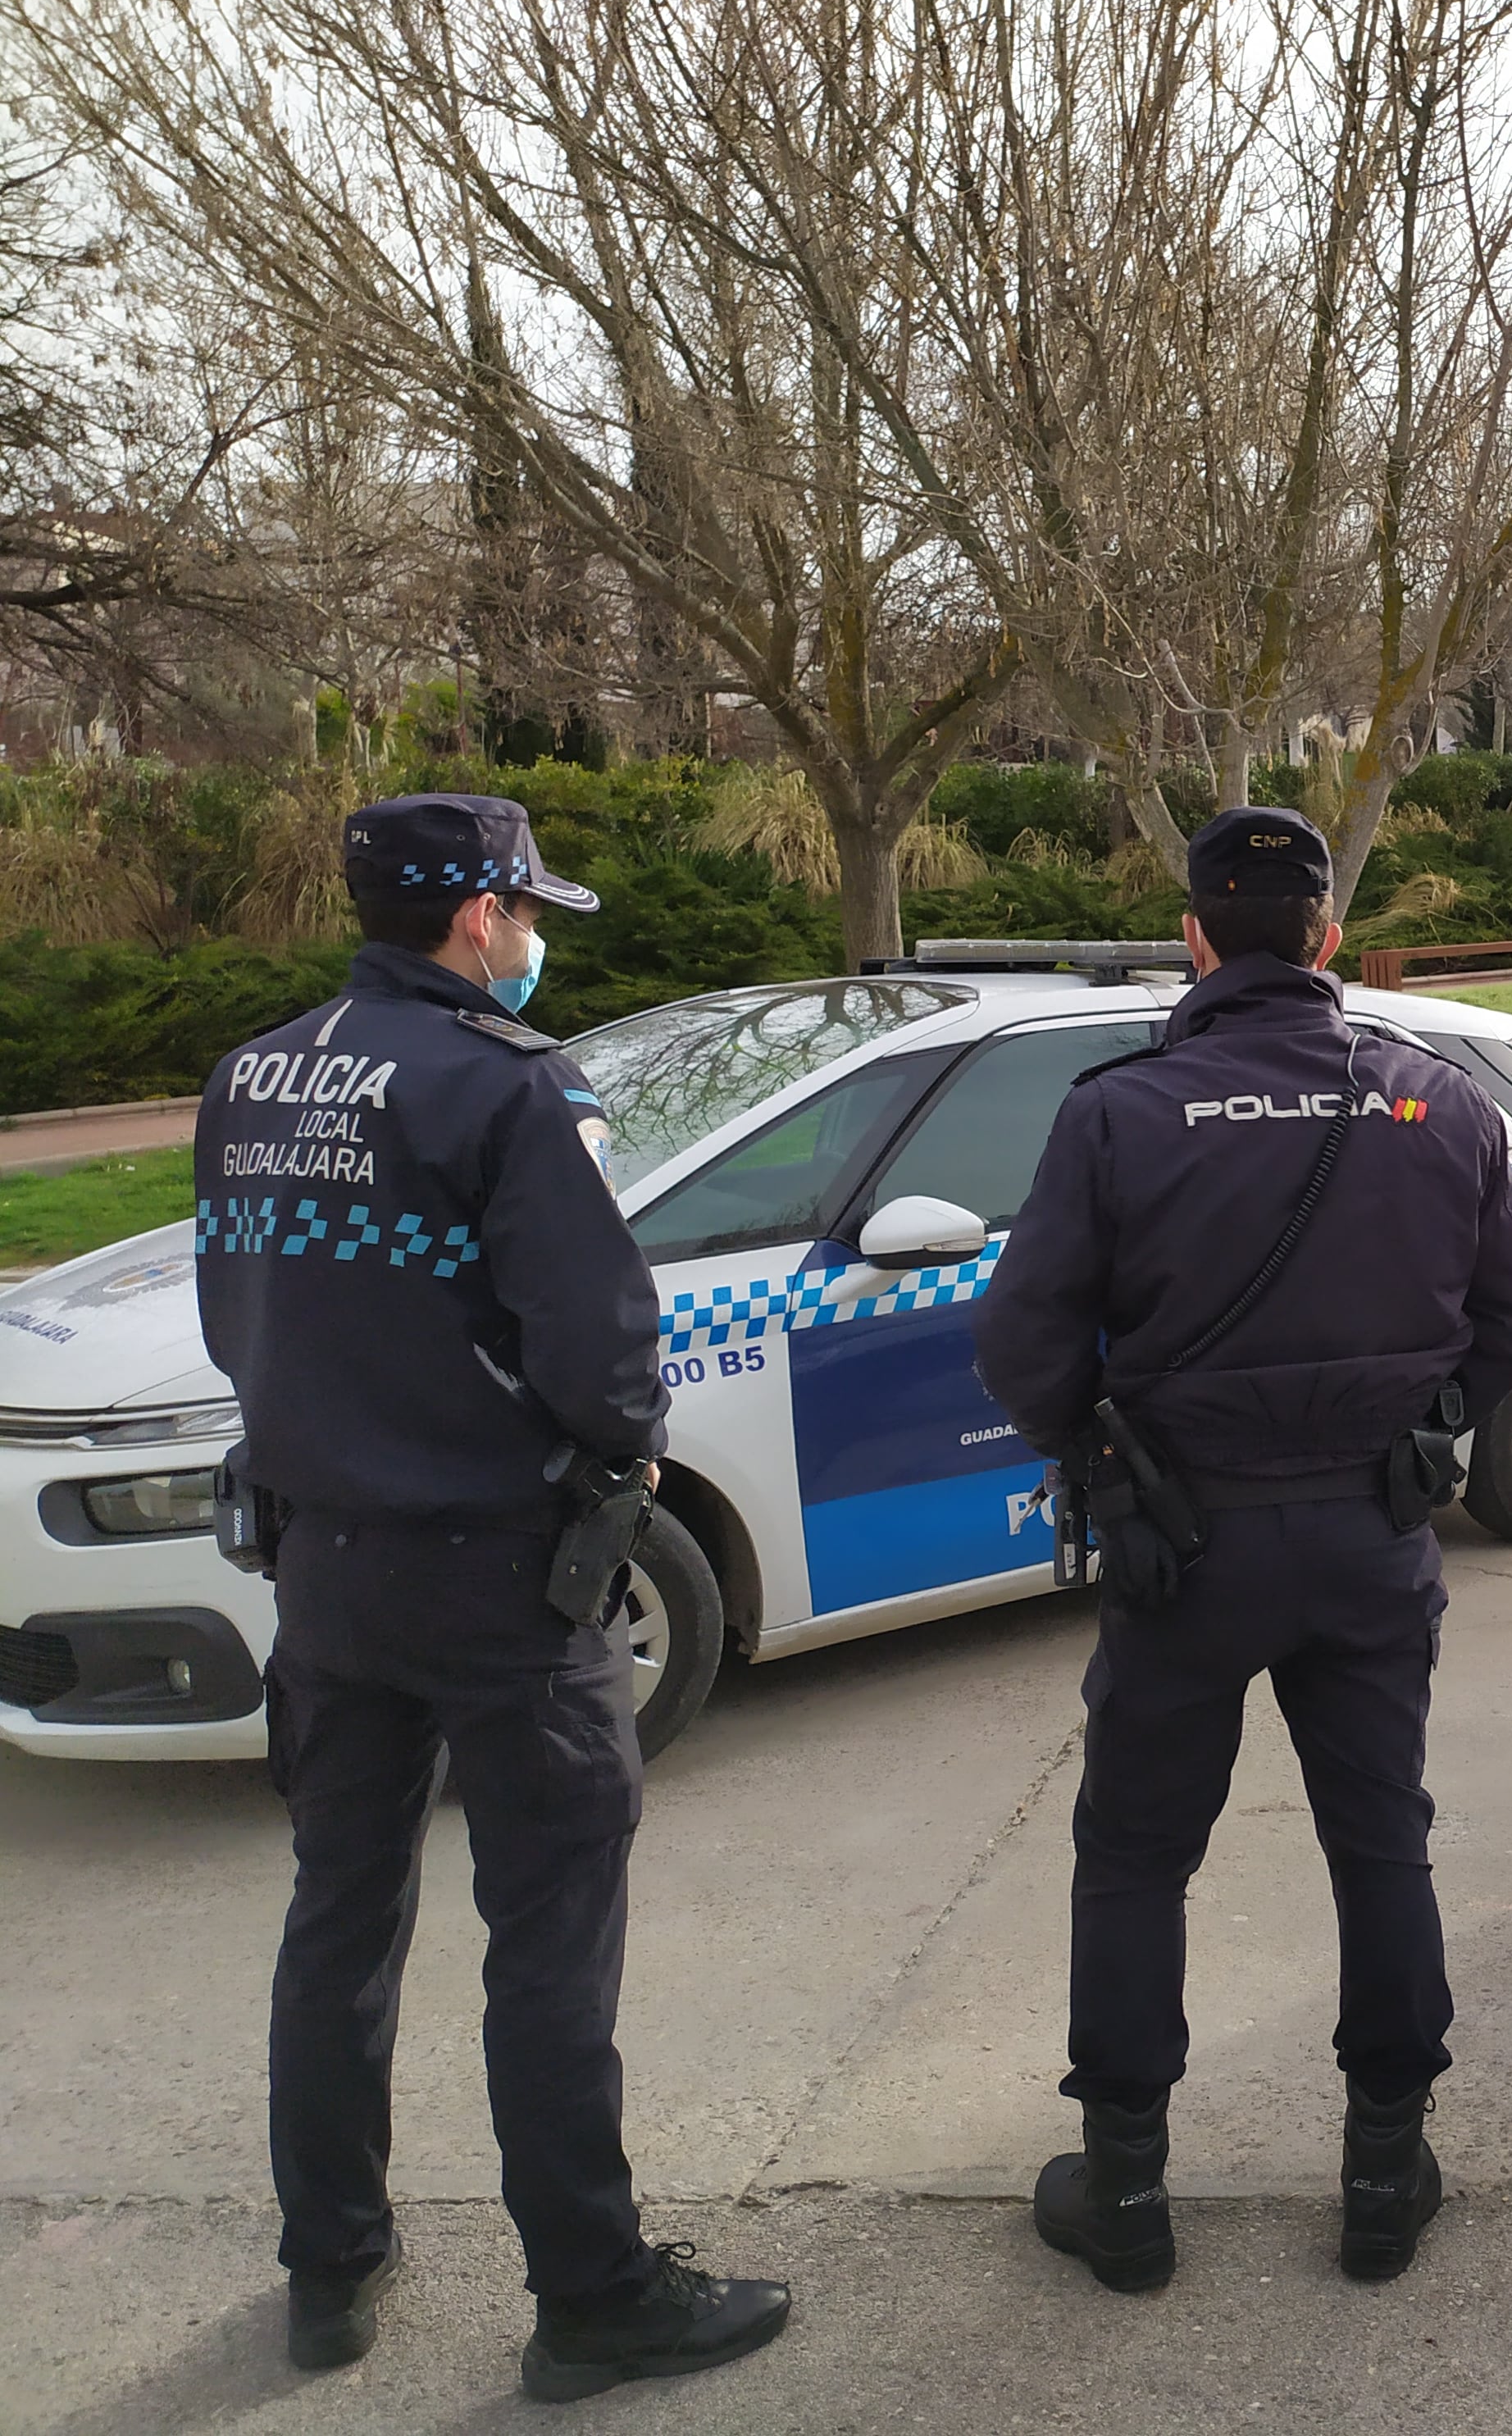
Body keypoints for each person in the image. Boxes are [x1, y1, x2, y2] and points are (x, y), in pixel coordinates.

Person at [194, 793, 790, 2402]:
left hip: (320, 1564)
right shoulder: (510, 1089)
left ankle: (330, 2261)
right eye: (527, 917)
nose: (532, 946)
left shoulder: (252, 1077)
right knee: (546, 1941)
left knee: (338, 1919)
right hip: (500, 1578)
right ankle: (591, 2295)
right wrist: (627, 1459)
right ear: (476, 920)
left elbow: (230, 1313)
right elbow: (600, 1350)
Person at [976, 803, 1512, 2293]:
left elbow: (1023, 1344)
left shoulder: (1118, 1110)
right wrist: (1428, 1435)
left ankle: (1125, 2194)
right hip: (1370, 1532)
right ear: (1328, 938)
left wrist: (1097, 1449)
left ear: (1192, 937)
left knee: (1136, 1857)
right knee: (1382, 1843)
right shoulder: (1445, 1102)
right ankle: (1381, 2177)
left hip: (1186, 1544)